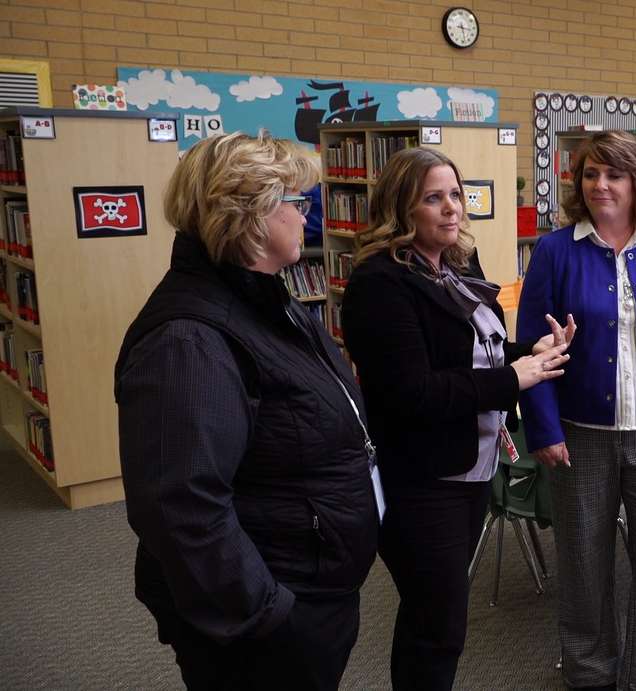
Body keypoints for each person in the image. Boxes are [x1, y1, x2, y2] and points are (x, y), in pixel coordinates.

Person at [114, 131, 379, 690]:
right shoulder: (188, 340)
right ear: (253, 214)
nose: (307, 218)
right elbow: (181, 508)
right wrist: (272, 616)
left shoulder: (265, 297)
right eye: (297, 202)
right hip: (267, 620)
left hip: (310, 581)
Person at [340, 147, 573, 691]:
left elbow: (475, 356)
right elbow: (412, 392)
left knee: (439, 615)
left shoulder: (456, 264)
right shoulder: (380, 284)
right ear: (401, 209)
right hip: (422, 479)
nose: (452, 209)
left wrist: (525, 351)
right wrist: (517, 378)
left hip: (471, 467)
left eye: (455, 195)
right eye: (433, 198)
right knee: (435, 625)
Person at [517, 129, 636, 691]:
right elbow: (533, 348)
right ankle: (591, 673)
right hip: (579, 437)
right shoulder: (555, 251)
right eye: (591, 173)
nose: (601, 184)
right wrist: (545, 429)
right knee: (582, 562)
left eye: (615, 174)